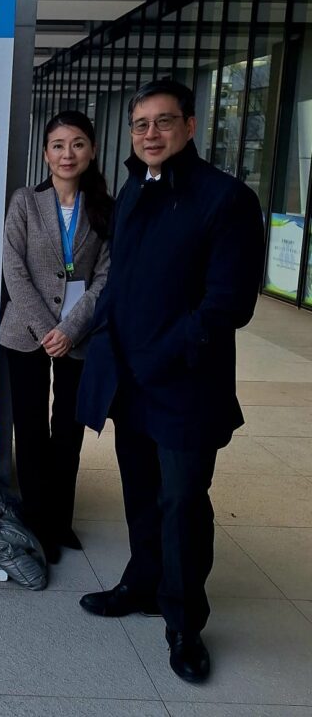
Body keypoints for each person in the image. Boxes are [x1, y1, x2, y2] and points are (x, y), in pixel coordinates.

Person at [76, 79, 265, 684]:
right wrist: (104, 335)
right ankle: (141, 582)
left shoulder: (226, 199)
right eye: (140, 125)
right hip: (130, 380)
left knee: (182, 502)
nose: (150, 135)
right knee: (139, 491)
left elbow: (228, 304)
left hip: (185, 383)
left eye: (163, 122)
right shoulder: (135, 190)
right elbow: (121, 279)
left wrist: (162, 353)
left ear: (190, 125)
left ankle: (184, 624)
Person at [0, 110, 113, 565]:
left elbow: (107, 276)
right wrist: (48, 327)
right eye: (59, 145)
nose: (69, 154)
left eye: (78, 144)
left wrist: (69, 329)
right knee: (28, 429)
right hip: (26, 331)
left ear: (91, 150)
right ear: (45, 153)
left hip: (79, 335)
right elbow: (13, 267)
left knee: (68, 429)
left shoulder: (106, 208)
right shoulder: (26, 201)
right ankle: (35, 521)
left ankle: (60, 520)